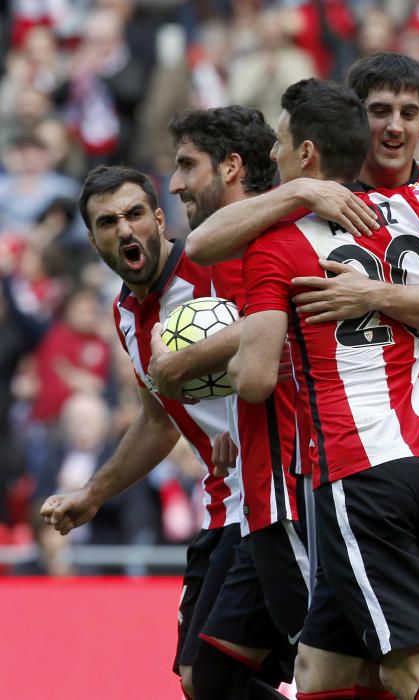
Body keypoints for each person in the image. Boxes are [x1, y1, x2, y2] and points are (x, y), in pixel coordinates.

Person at [226, 78, 419, 700]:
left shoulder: (285, 240)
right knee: (323, 671)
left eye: (409, 114)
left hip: (366, 464)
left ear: (305, 150)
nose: (393, 127)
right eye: (378, 114)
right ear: (354, 129)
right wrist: (307, 191)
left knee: (418, 664)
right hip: (406, 459)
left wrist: (366, 295)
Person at [38, 164, 243, 700]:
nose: (125, 230)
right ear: (93, 239)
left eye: (134, 215)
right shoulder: (126, 312)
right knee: (201, 680)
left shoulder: (213, 265)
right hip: (225, 503)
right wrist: (93, 494)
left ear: (158, 218)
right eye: (108, 222)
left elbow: (279, 343)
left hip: (282, 493)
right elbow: (159, 421)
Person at [151, 107, 312, 700]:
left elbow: (273, 330)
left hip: (297, 485)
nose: (175, 183)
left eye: (186, 166)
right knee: (208, 678)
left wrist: (182, 364)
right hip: (252, 483)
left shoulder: (270, 238)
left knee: (338, 664)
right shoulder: (212, 256)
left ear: (232, 166)